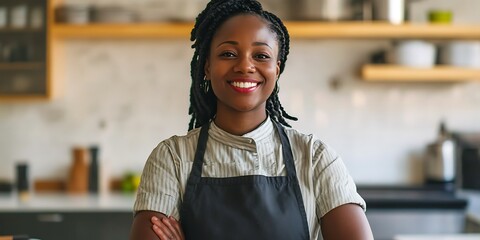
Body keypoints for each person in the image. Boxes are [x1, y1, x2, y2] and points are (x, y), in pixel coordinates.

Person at [129, 0, 373, 239]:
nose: (245, 66)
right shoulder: (172, 159)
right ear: (207, 67)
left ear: (276, 69)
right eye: (228, 53)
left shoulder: (315, 158)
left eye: (261, 55)